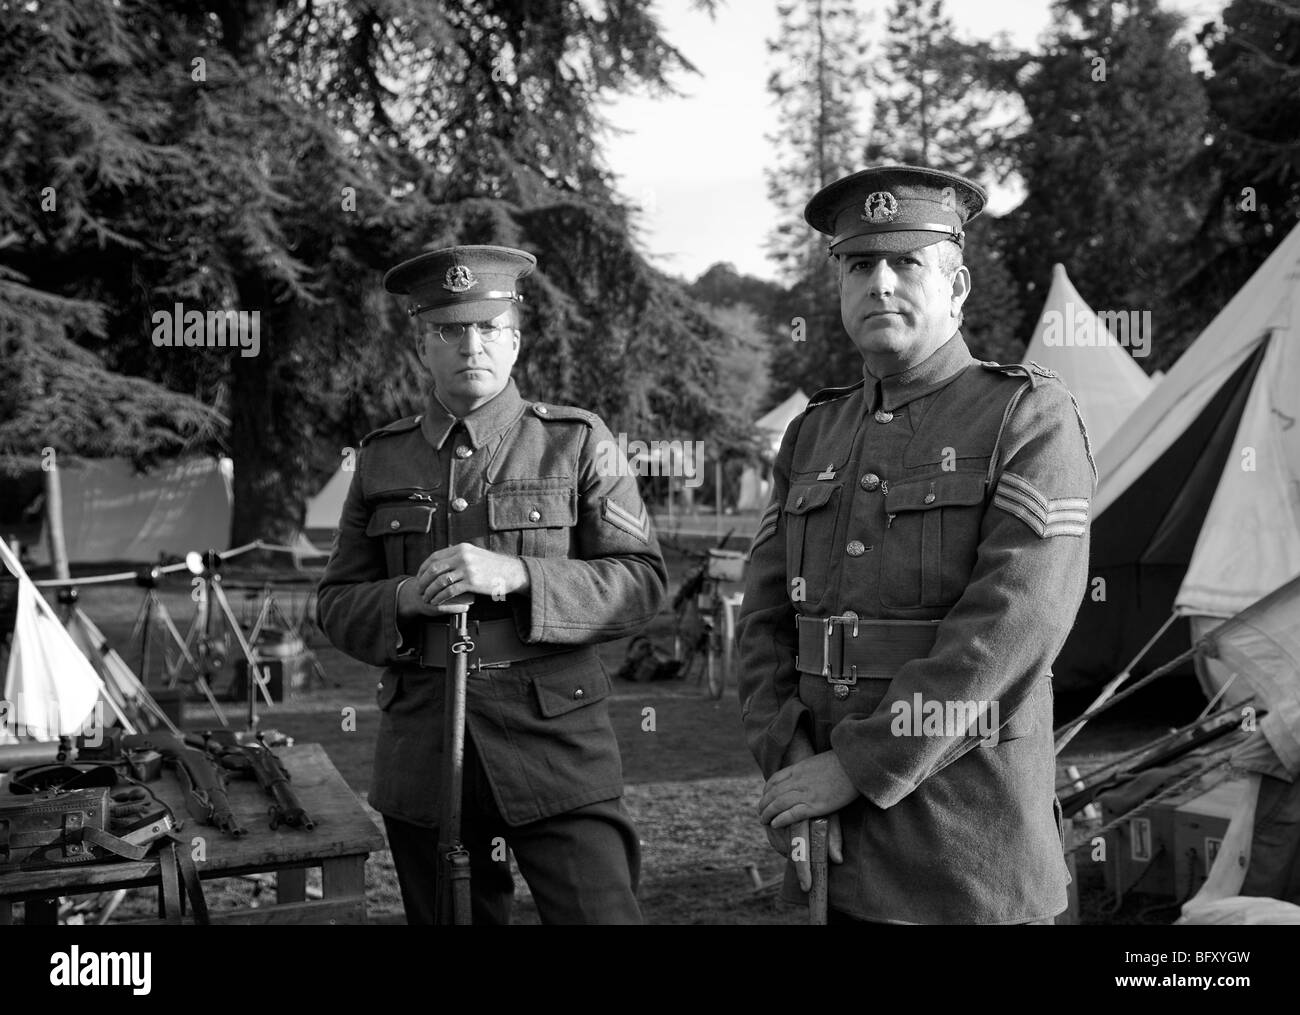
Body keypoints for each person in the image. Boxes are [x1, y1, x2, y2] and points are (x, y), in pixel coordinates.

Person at [737, 165, 1096, 924]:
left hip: (966, 853)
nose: (881, 284)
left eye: (907, 262)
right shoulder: (812, 433)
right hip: (833, 844)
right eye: (860, 265)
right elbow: (764, 625)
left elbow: (1013, 624)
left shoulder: (1027, 417)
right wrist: (794, 764)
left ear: (957, 284)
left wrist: (858, 765)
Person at [317, 244, 667, 925]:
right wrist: (404, 598)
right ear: (422, 344)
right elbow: (334, 602)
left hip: (555, 747)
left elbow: (643, 582)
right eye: (449, 330)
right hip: (426, 752)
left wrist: (520, 576)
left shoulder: (576, 441)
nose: (469, 345)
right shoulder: (383, 456)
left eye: (486, 328)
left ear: (514, 338)